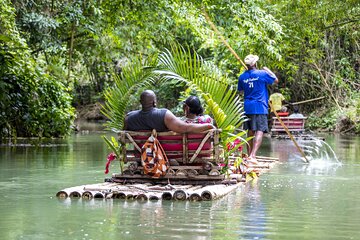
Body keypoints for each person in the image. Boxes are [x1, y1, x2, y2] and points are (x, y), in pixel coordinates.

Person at [237, 54, 279, 164]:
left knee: (250, 131)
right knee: (260, 131)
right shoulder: (262, 73)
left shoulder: (242, 77)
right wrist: (268, 70)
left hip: (247, 106)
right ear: (255, 63)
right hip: (260, 106)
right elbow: (276, 80)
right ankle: (253, 156)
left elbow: (240, 91)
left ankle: (249, 154)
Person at [124, 90, 215, 133]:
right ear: (154, 102)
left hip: (141, 153)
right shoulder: (164, 114)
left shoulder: (128, 118)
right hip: (160, 153)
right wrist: (209, 125)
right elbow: (185, 128)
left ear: (140, 102)